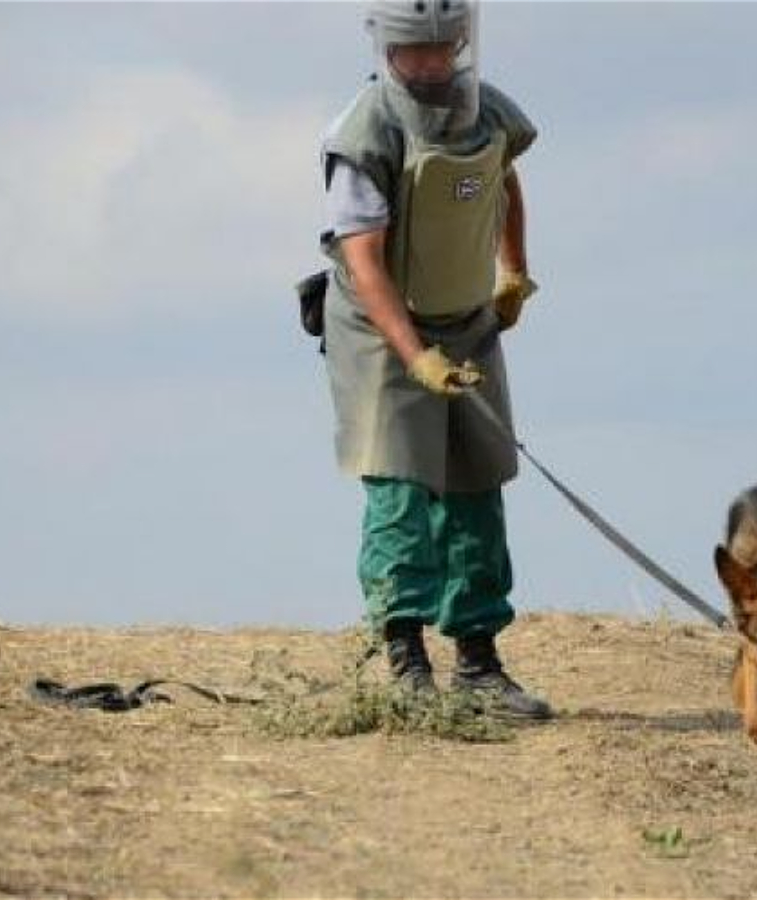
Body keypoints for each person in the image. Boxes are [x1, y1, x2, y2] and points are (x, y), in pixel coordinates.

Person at [315, 0, 550, 719]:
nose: (431, 64)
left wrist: (512, 271)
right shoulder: (367, 133)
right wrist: (415, 357)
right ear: (387, 48)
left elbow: (502, 182)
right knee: (402, 490)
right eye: (416, 51)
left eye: (445, 48)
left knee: (479, 482)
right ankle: (405, 665)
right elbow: (364, 262)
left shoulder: (486, 114)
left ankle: (479, 665)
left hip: (466, 318)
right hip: (382, 328)